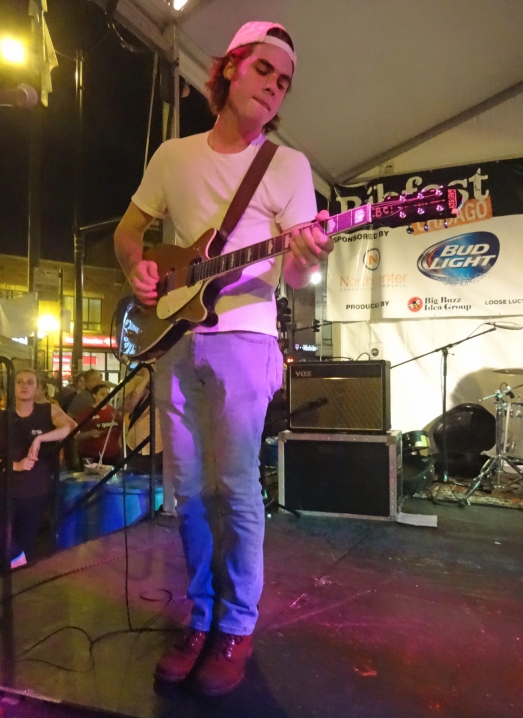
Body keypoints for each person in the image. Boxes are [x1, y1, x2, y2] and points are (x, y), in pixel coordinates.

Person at [114, 21, 333, 696]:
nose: (275, 86)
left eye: (285, 81)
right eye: (265, 70)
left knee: (233, 487)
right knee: (187, 492)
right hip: (178, 341)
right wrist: (138, 273)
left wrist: (304, 259)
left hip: (245, 338)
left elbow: (294, 278)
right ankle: (200, 617)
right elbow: (130, 232)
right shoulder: (173, 156)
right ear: (231, 67)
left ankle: (236, 626)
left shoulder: (288, 166)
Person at [0, 369, 72, 563]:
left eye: (30, 382)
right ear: (11, 387)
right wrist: (16, 465)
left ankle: (21, 582)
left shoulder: (47, 410)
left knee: (26, 540)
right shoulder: (3, 416)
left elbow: (67, 427)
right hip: (6, 488)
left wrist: (40, 438)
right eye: (19, 382)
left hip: (34, 490)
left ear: (38, 388)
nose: (24, 386)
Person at [74, 384, 122, 465]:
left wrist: (120, 449)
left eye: (108, 394)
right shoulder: (87, 413)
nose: (106, 397)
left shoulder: (113, 411)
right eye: (102, 394)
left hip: (112, 455)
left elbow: (119, 431)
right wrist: (89, 434)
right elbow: (75, 435)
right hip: (92, 455)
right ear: (94, 396)